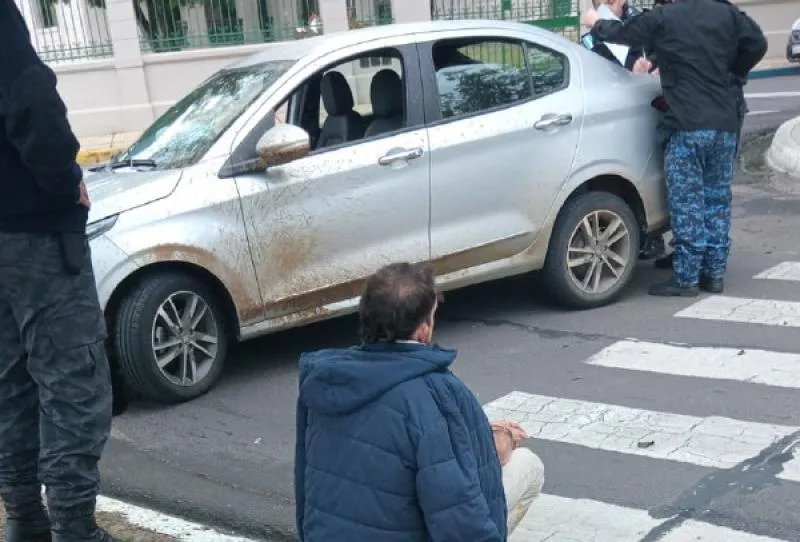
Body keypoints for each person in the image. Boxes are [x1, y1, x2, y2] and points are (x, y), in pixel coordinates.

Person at [294, 262, 544, 541]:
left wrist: (482, 437)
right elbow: (459, 517)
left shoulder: (324, 380)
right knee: (529, 466)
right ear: (423, 330)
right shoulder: (434, 393)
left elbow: (310, 485)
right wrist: (490, 444)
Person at [0, 2, 119, 541]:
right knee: (72, 377)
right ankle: (74, 528)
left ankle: (26, 520)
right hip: (34, 231)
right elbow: (30, 95)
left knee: (9, 383)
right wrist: (64, 179)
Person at [583, 0, 767, 297]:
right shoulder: (727, 12)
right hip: (724, 124)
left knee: (687, 203)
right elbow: (757, 43)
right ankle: (714, 274)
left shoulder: (665, 17)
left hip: (687, 125)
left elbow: (625, 34)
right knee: (717, 199)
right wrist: (735, 71)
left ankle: (687, 278)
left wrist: (596, 23)